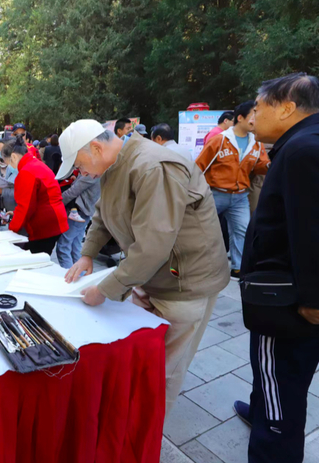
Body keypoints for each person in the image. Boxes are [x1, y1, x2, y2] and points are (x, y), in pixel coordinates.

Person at [61, 120, 229, 417]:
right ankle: (133, 419)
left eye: (79, 165)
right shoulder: (113, 165)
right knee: (140, 358)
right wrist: (87, 254)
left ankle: (148, 430)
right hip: (150, 275)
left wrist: (105, 290)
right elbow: (102, 215)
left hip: (184, 281)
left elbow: (154, 244)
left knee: (165, 369)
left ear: (96, 148)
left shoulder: (152, 166)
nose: (81, 173)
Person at [229, 73, 319, 463]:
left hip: (286, 301)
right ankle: (262, 407)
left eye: (259, 106)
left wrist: (313, 300)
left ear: (286, 108)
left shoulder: (303, 151)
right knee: (275, 377)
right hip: (290, 292)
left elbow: (311, 232)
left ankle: (274, 437)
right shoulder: (302, 143)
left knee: (281, 382)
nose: (253, 116)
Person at [195, 100, 271, 278]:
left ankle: (238, 268)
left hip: (240, 197)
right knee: (203, 229)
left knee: (242, 230)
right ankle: (199, 266)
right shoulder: (219, 140)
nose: (256, 119)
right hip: (215, 194)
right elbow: (199, 166)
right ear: (240, 118)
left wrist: (271, 164)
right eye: (253, 115)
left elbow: (260, 166)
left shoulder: (256, 143)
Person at [1, 137, 68, 254]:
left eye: (8, 163)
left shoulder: (26, 172)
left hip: (45, 226)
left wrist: (11, 231)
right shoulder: (35, 164)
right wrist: (16, 214)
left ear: (14, 157)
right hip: (54, 220)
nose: (10, 167)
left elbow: (25, 208)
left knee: (37, 260)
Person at [56, 173, 101, 268]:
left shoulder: (91, 174)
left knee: (63, 247)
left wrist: (56, 202)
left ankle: (69, 275)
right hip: (86, 212)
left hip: (79, 211)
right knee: (75, 246)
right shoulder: (101, 173)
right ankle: (80, 274)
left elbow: (73, 192)